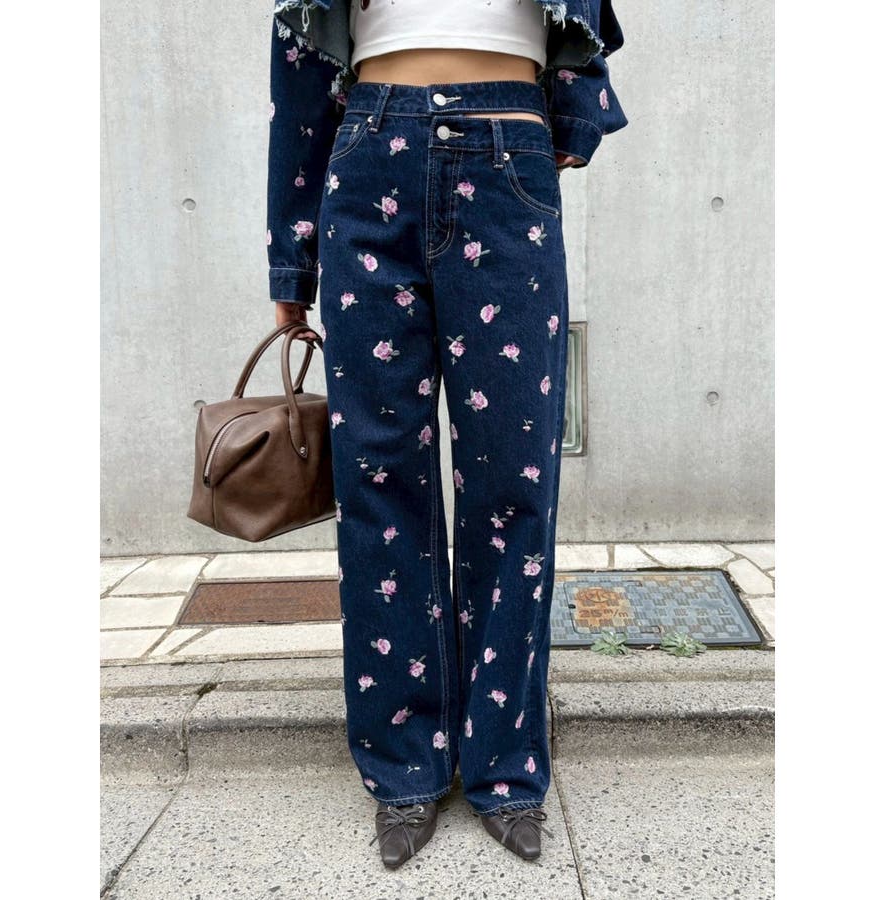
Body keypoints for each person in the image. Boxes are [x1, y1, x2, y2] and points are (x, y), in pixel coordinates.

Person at [267, 0, 627, 869]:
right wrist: (291, 254)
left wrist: (572, 110)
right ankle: (403, 767)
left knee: (512, 482)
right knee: (378, 480)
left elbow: (588, 27)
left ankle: (504, 765)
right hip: (369, 151)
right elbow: (298, 77)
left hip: (508, 152)